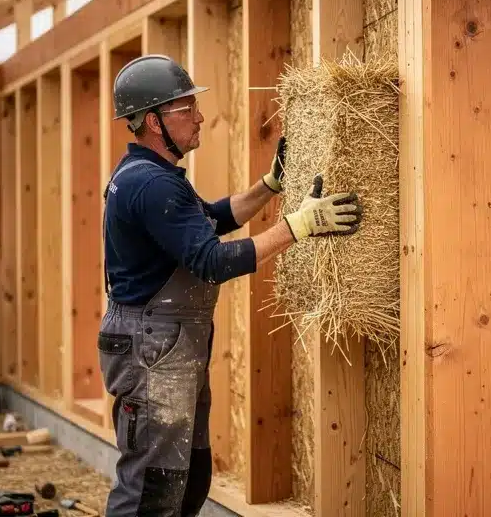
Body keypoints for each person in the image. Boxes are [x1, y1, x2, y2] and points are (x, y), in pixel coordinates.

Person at [97, 54, 363, 517]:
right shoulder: (151, 186)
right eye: (186, 109)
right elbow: (210, 260)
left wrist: (269, 186)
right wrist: (299, 227)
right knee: (151, 490)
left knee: (190, 476)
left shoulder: (153, 178)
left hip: (166, 346)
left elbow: (210, 219)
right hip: (151, 351)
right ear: (154, 122)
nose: (199, 117)